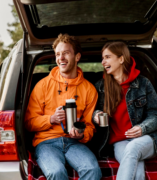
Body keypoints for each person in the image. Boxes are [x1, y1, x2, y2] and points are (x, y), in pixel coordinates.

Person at [25, 34, 101, 180]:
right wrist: (51, 119)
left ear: (77, 57)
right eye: (58, 54)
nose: (61, 58)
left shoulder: (89, 89)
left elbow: (90, 126)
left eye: (66, 53)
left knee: (92, 169)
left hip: (74, 143)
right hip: (46, 142)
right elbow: (28, 123)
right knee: (56, 172)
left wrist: (81, 134)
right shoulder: (43, 85)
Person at [93, 42, 157, 180]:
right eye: (102, 58)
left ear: (121, 59)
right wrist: (96, 115)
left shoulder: (143, 83)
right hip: (120, 142)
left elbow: (156, 115)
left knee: (133, 148)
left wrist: (142, 128)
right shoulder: (100, 87)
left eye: (107, 57)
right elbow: (91, 110)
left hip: (146, 138)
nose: (103, 62)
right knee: (138, 173)